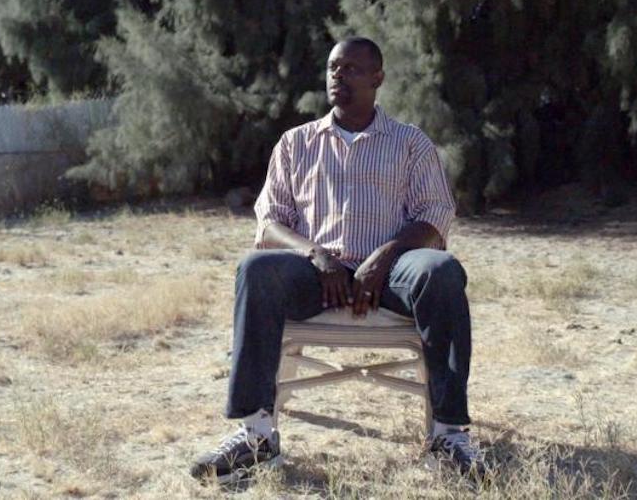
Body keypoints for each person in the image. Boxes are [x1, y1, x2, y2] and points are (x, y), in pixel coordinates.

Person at [189, 37, 482, 484]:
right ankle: (256, 437)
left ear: (378, 78)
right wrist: (316, 254)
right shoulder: (296, 143)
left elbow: (436, 215)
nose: (338, 77)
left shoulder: (409, 143)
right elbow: (269, 222)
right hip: (316, 273)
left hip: (391, 273)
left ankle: (448, 435)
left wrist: (385, 256)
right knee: (255, 269)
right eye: (332, 68)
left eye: (351, 69)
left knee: (441, 272)